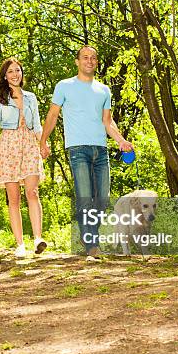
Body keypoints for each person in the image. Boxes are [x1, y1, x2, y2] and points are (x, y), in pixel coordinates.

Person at [40, 45, 133, 258]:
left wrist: (121, 140)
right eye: (85, 57)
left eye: (93, 58)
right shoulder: (64, 86)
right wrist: (43, 142)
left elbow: (107, 122)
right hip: (78, 149)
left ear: (96, 62)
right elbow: (53, 115)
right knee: (84, 197)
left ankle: (89, 236)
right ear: (77, 61)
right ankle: (92, 243)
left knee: (102, 199)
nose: (89, 61)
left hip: (101, 150)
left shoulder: (104, 90)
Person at [0, 57, 47, 258]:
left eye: (18, 70)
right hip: (8, 146)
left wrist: (43, 143)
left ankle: (37, 239)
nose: (15, 74)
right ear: (5, 76)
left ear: (21, 73)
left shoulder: (30, 97)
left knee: (32, 192)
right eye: (10, 71)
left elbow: (36, 124)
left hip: (29, 144)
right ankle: (20, 245)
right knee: (14, 199)